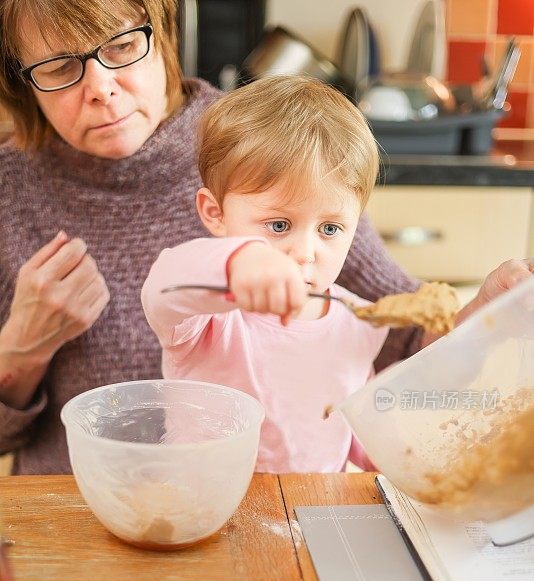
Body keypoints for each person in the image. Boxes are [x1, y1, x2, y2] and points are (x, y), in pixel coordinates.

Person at [0, 0, 531, 475]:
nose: (100, 87)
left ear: (161, 31)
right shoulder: (10, 188)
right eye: (60, 67)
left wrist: (486, 318)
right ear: (21, 77)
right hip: (71, 513)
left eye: (120, 46)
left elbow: (403, 348)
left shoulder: (273, 147)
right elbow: (166, 288)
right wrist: (19, 351)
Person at [142, 75, 391, 471]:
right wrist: (241, 262)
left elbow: (349, 433)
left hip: (312, 518)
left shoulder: (359, 321)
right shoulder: (206, 321)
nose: (305, 254)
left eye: (330, 229)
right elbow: (162, 287)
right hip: (210, 512)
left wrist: (390, 450)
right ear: (215, 213)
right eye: (278, 226)